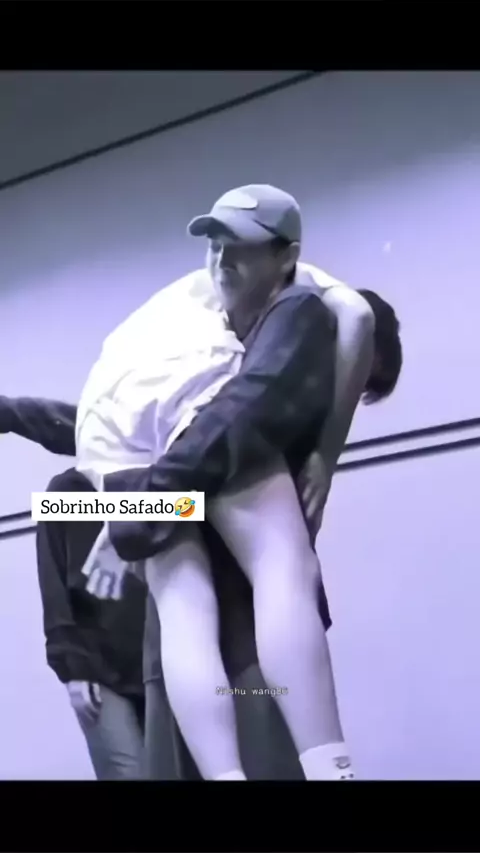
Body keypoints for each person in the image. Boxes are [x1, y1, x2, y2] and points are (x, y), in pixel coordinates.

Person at [0, 286, 401, 780]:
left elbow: (189, 472)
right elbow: (155, 460)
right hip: (177, 641)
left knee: (261, 743)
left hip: (231, 636)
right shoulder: (247, 397)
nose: (348, 391)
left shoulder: (283, 419)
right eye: (356, 376)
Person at [72, 184, 391, 781]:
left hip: (113, 444)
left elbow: (83, 460)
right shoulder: (294, 310)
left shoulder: (175, 318)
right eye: (216, 244)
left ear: (281, 255)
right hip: (165, 462)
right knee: (282, 562)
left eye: (237, 246)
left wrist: (126, 513)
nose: (221, 259)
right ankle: (331, 766)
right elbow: (356, 318)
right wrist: (325, 454)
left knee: (184, 605)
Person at [35, 466, 146, 780]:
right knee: (129, 772)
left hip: (163, 660)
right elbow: (53, 584)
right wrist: (72, 667)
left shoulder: (161, 482)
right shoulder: (66, 489)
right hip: (98, 667)